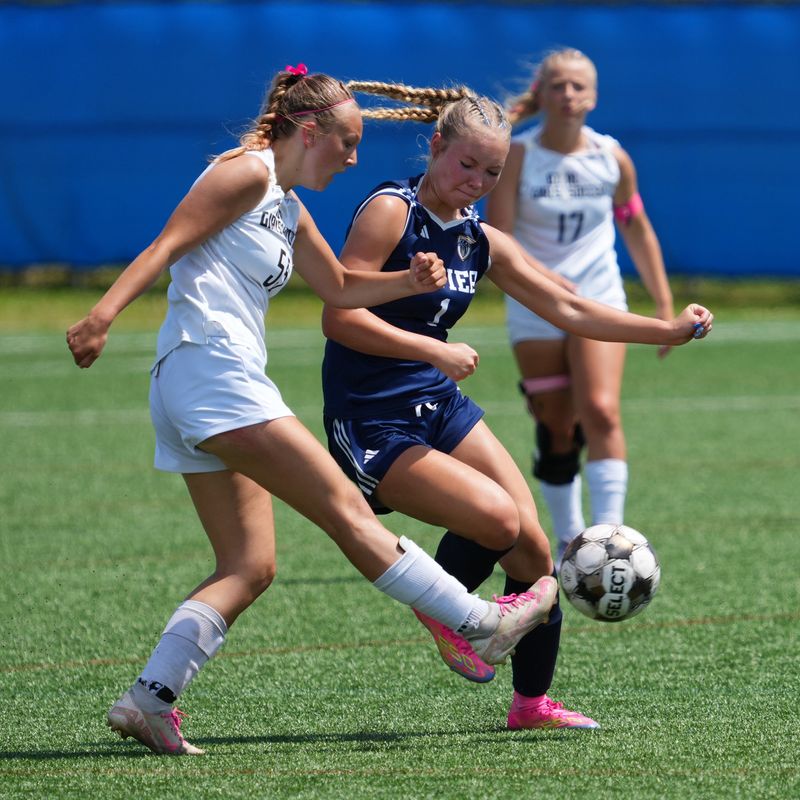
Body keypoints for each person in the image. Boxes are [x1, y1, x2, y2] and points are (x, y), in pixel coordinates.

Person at [65, 65, 559, 756]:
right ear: (308, 130)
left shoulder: (289, 207)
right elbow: (166, 245)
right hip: (212, 373)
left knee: (249, 565)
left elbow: (340, 287)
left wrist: (408, 280)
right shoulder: (243, 172)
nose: (354, 157)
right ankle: (478, 621)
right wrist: (102, 315)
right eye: (347, 142)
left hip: (203, 385)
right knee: (346, 512)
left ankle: (149, 701)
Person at [320, 79, 712, 729]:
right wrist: (434, 352)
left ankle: (531, 704)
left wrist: (666, 328)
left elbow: (569, 307)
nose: (476, 180)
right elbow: (339, 317)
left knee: (534, 554)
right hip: (370, 417)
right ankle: (445, 606)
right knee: (499, 522)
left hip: (434, 401)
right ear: (437, 146)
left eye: (492, 172)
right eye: (466, 163)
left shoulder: (478, 239)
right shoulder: (391, 211)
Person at [486, 48, 677, 563]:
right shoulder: (518, 157)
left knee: (600, 410)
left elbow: (634, 225)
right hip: (534, 300)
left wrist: (662, 301)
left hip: (598, 295)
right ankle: (572, 540)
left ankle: (611, 539)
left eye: (577, 86)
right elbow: (498, 236)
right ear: (541, 94)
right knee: (555, 422)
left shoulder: (611, 158)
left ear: (593, 96)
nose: (568, 95)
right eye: (558, 85)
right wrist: (547, 280)